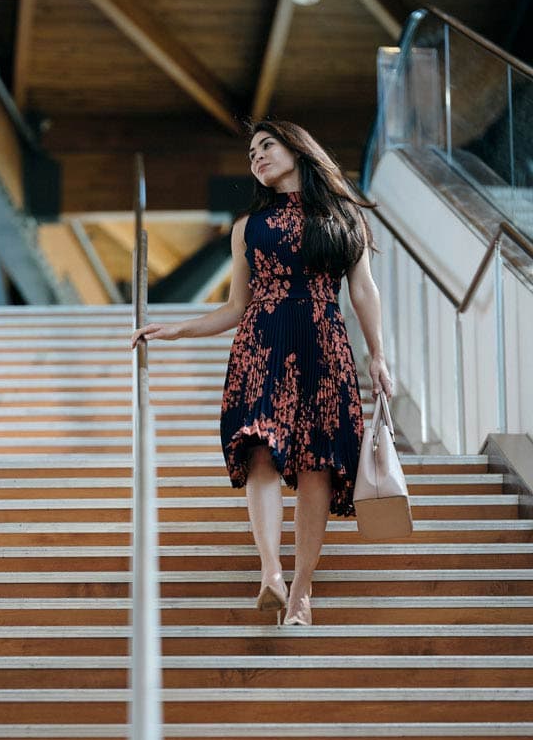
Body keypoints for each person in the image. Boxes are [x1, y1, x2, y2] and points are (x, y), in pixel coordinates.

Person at [131, 119, 394, 626]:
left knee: (317, 468)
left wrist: (378, 355)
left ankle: (301, 593)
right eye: (251, 152)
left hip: (323, 343)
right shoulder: (247, 228)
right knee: (258, 451)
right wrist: (178, 330)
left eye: (266, 145)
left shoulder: (344, 216)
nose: (256, 156)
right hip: (261, 344)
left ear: (297, 148)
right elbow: (235, 307)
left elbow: (363, 291)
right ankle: (271, 573)